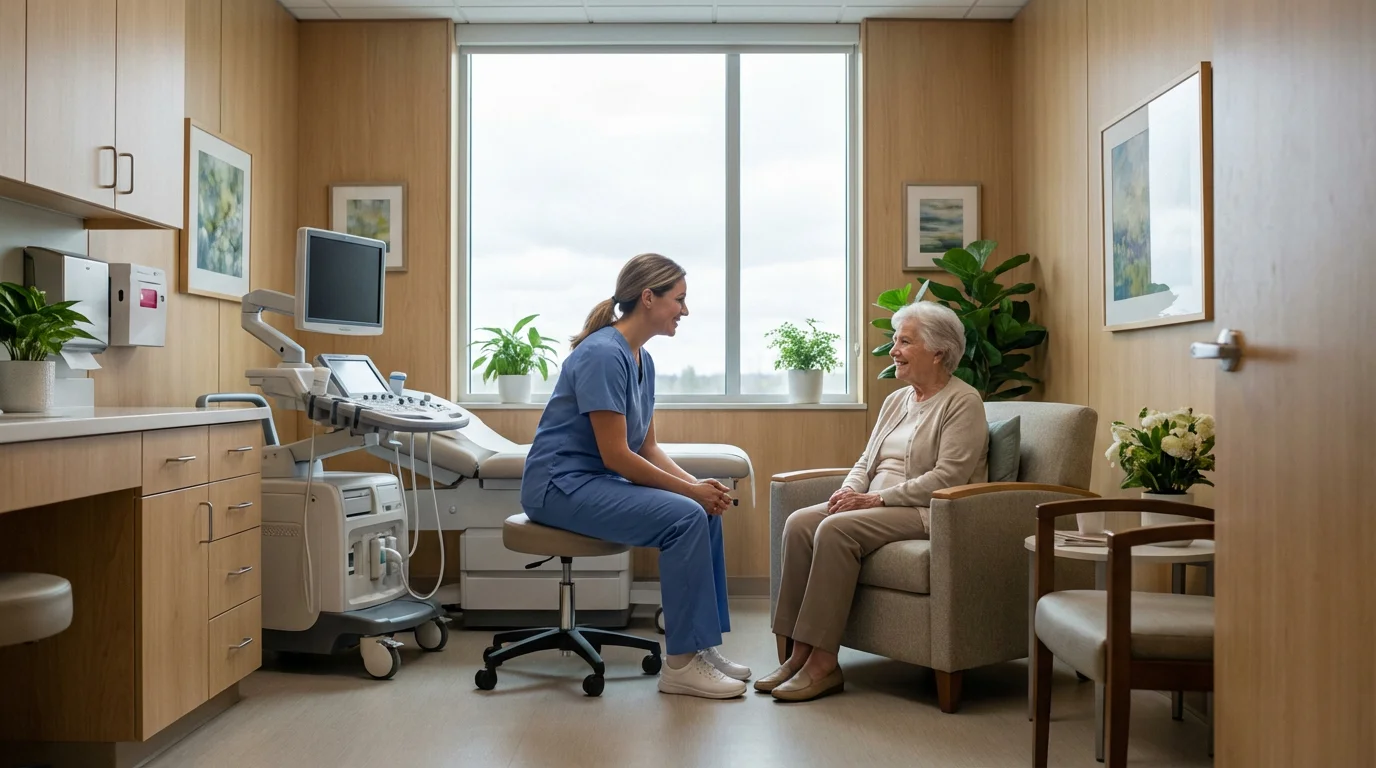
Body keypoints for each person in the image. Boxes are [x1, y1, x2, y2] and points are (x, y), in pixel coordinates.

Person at [520, 253, 750, 700]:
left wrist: (700, 489)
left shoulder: (640, 358)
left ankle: (699, 646)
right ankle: (681, 666)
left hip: (590, 481)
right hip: (558, 486)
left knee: (702, 512)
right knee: (686, 515)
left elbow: (647, 446)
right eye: (679, 299)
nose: (685, 310)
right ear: (649, 298)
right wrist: (690, 492)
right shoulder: (604, 355)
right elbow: (617, 457)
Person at [760, 300, 989, 702]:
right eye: (894, 341)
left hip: (922, 510)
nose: (893, 350)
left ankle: (823, 665)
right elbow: (867, 459)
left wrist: (875, 499)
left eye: (904, 342)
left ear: (938, 352)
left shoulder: (962, 402)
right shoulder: (896, 401)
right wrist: (849, 490)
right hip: (874, 501)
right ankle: (797, 654)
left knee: (835, 530)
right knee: (799, 523)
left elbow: (947, 477)